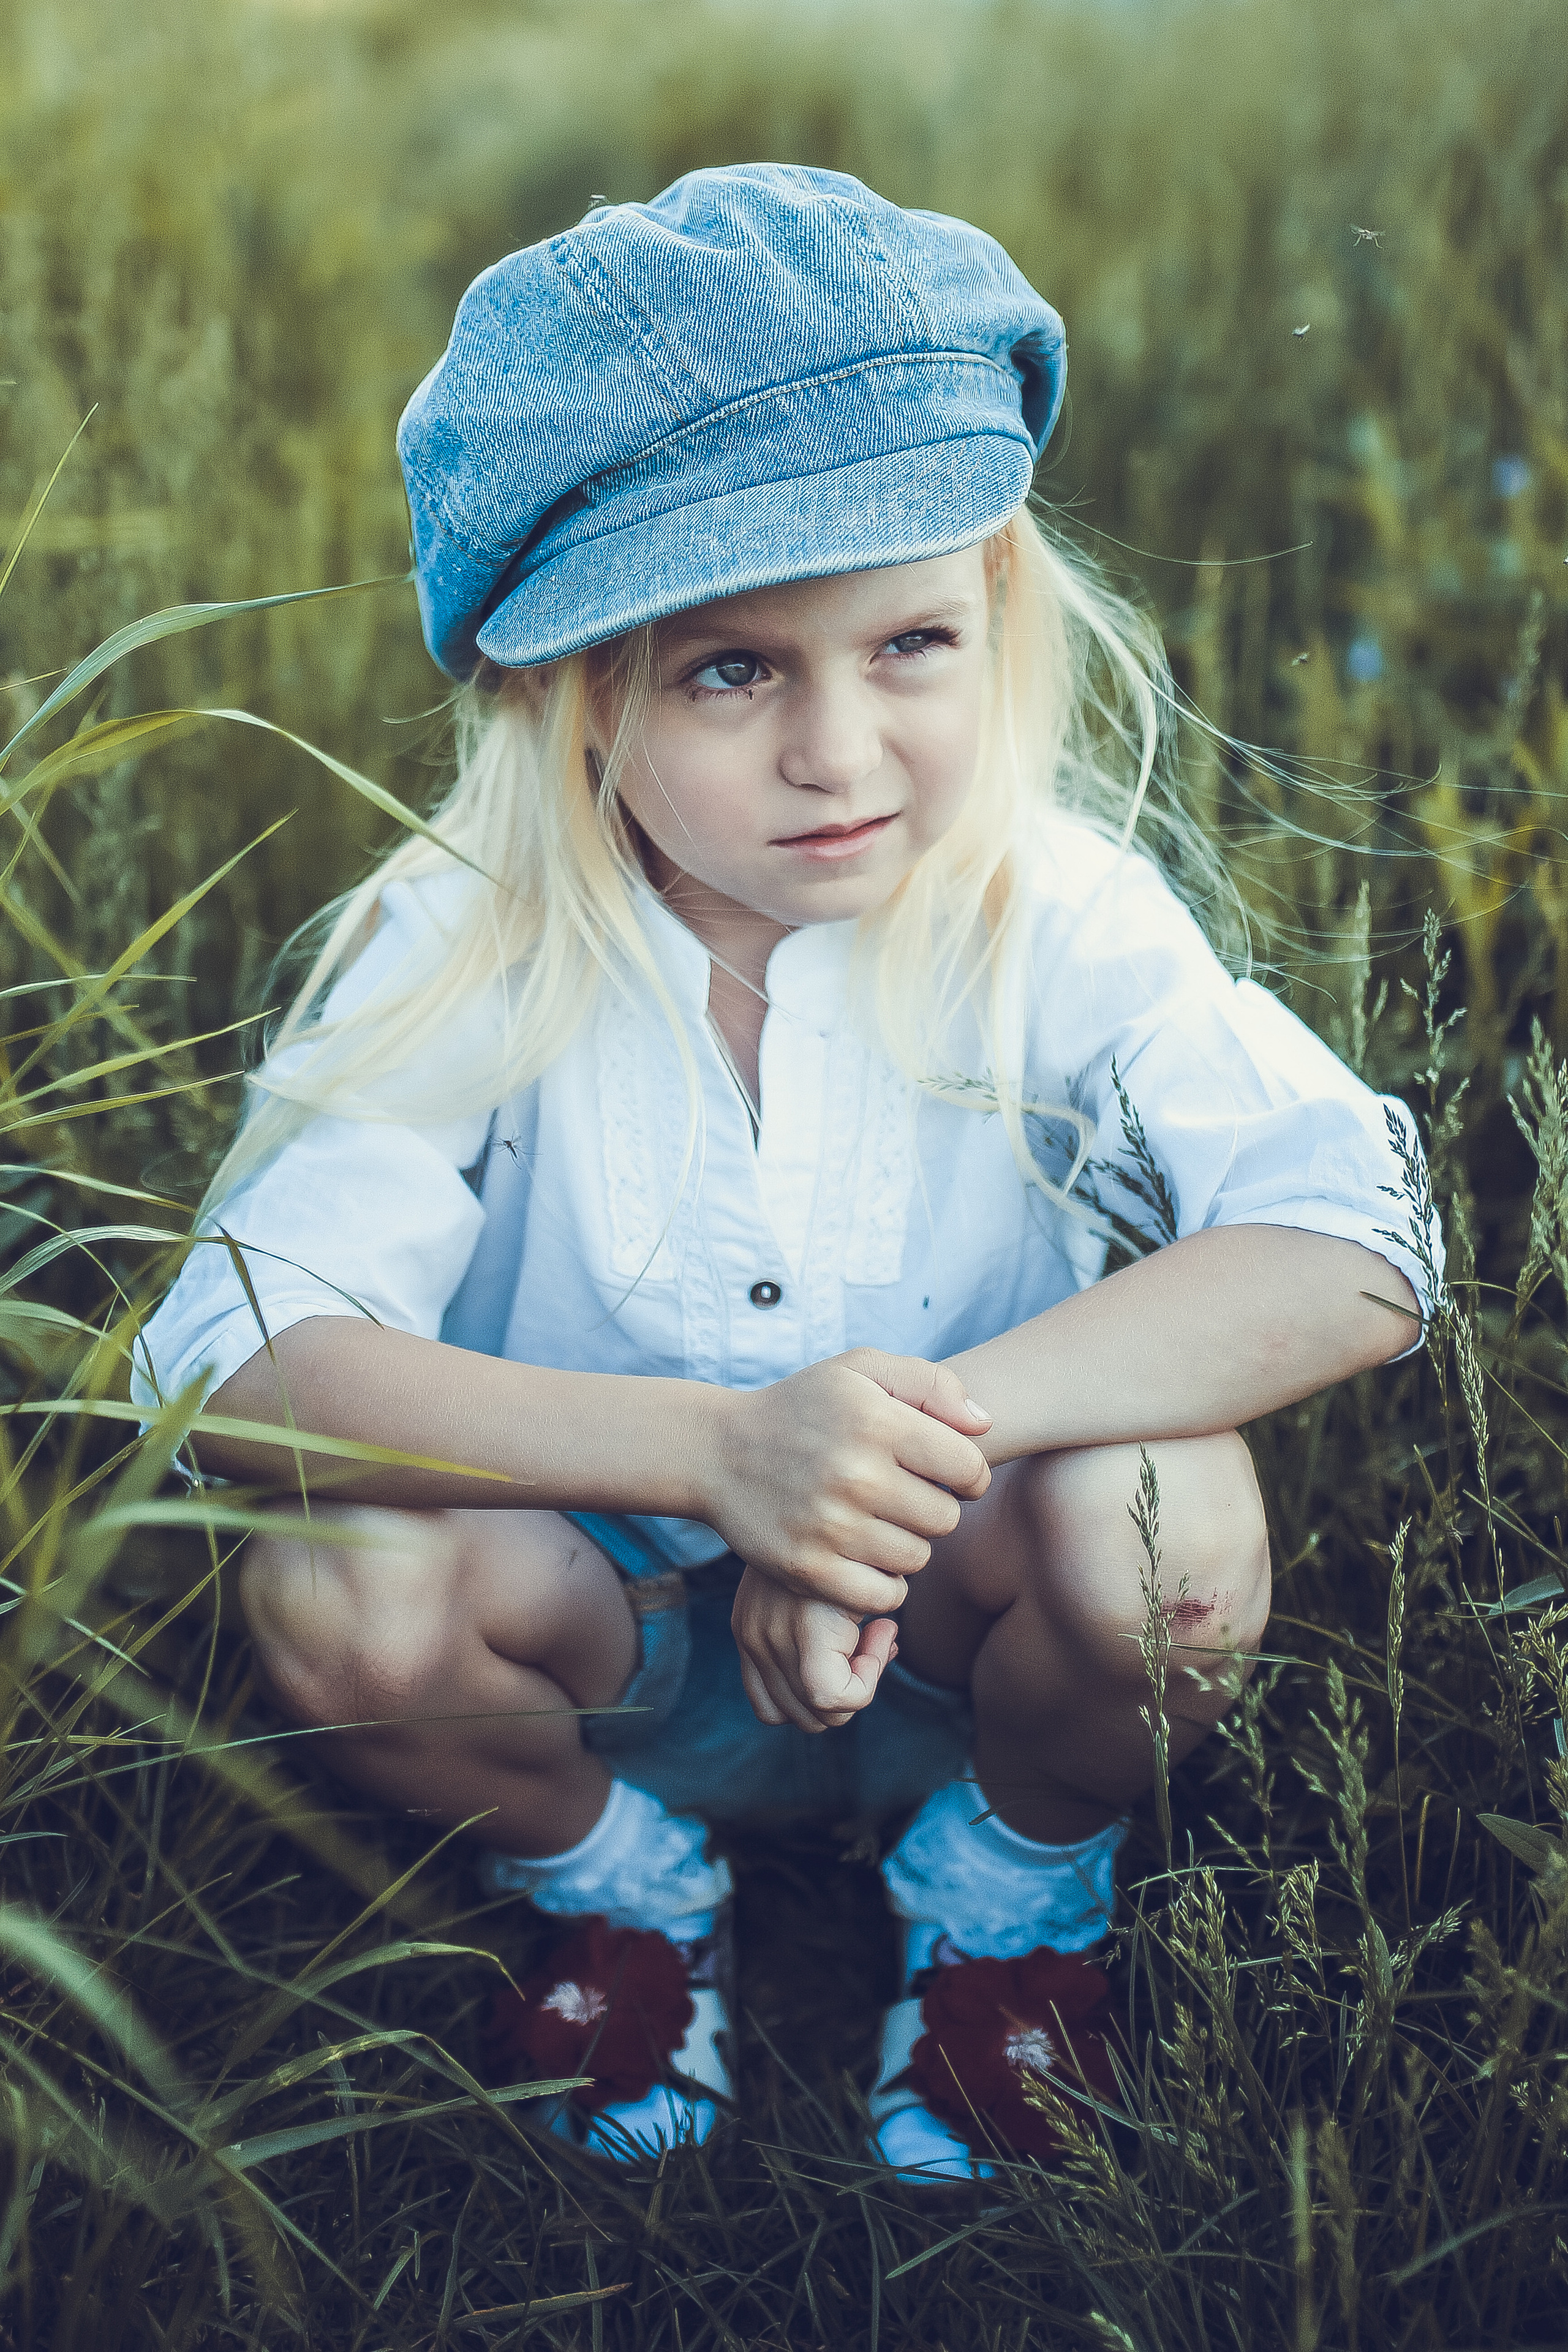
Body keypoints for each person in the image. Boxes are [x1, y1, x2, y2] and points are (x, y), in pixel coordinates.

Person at [134, 164, 1436, 2179]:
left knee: (1163, 1519)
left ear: (996, 609)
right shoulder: (468, 932)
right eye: (731, 670)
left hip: (968, 1647)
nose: (843, 751)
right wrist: (719, 1458)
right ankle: (621, 1882)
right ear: (566, 693)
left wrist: (874, 1464)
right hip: (593, 1650)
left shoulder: (1055, 908)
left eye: (909, 640)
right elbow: (223, 1359)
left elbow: (1351, 1240)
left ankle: (1015, 1901)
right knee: (344, 1579)